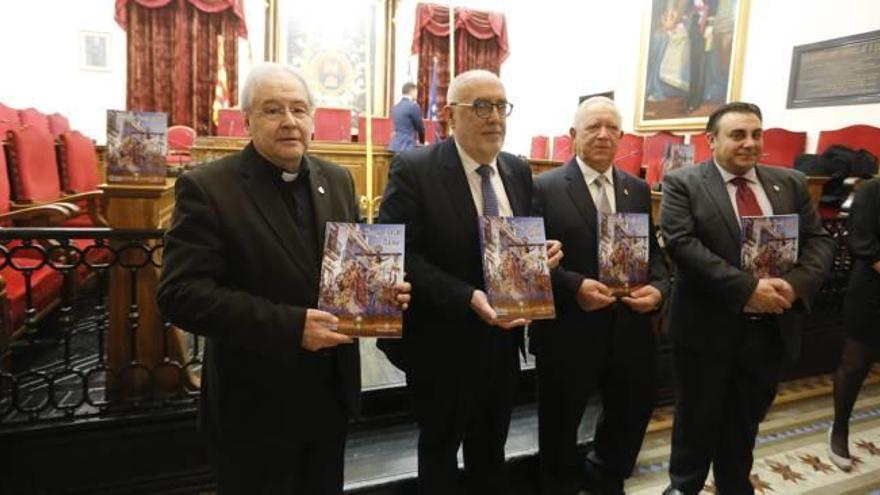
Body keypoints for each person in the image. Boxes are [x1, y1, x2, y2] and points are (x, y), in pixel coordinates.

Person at [157, 62, 410, 493]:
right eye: (273, 110)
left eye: (299, 109)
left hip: (329, 397)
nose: (289, 122)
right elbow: (181, 294)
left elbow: (343, 270)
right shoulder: (208, 187)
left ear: (312, 117)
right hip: (255, 403)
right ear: (247, 120)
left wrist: (380, 290)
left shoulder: (338, 179)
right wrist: (291, 326)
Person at [377, 69, 561, 494]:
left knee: (490, 448)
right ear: (449, 116)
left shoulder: (516, 169)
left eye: (500, 106)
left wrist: (542, 255)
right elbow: (401, 251)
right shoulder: (415, 168)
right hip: (442, 339)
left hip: (502, 343)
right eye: (480, 106)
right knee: (440, 450)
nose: (493, 117)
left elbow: (519, 240)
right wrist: (466, 297)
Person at [659, 101, 834, 495]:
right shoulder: (682, 183)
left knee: (744, 423)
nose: (750, 143)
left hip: (769, 331)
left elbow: (819, 241)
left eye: (757, 134)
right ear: (712, 140)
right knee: (695, 422)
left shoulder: (789, 182)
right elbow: (682, 245)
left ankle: (735, 485)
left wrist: (796, 285)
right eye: (738, 135)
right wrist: (748, 289)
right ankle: (683, 487)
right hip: (706, 330)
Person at [531, 97, 669, 495]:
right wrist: (575, 288)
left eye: (612, 127)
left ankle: (607, 480)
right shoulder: (542, 187)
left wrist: (659, 290)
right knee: (559, 427)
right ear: (573, 136)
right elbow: (528, 262)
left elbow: (654, 258)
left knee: (628, 418)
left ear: (622, 137)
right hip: (567, 331)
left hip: (629, 329)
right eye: (593, 127)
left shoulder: (638, 190)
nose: (603, 135)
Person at [828, 177, 880, 471]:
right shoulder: (871, 191)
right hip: (872, 291)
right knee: (855, 364)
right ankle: (839, 429)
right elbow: (864, 245)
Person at [388, 82, 426, 153]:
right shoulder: (413, 106)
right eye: (416, 92)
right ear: (413, 92)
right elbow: (420, 127)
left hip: (395, 146)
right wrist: (422, 142)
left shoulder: (395, 107)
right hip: (408, 146)